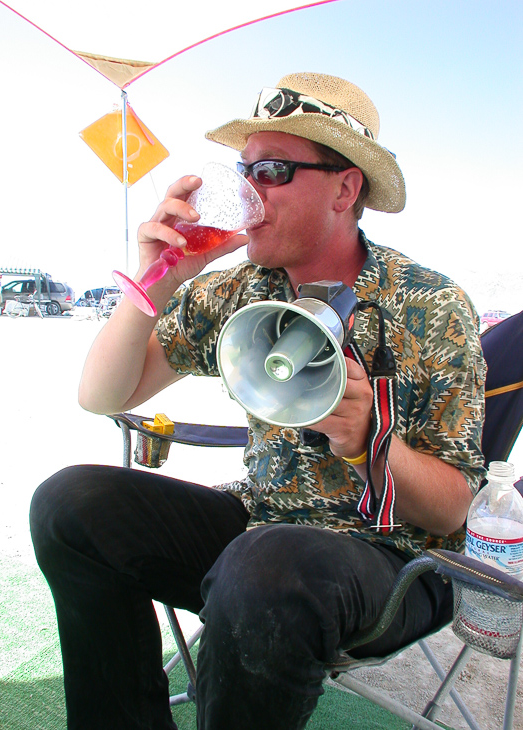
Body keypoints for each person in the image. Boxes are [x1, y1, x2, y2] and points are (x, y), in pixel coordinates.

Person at [30, 73, 486, 730]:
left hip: (398, 559)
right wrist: (157, 282)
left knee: (265, 565)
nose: (247, 193)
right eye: (243, 171)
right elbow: (101, 394)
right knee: (69, 506)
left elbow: (451, 510)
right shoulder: (240, 288)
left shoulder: (431, 306)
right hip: (260, 530)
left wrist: (370, 442)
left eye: (272, 171)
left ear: (344, 187)